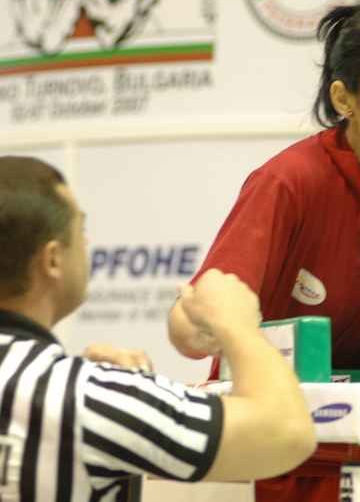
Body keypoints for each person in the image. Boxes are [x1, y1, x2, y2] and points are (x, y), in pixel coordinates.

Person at [167, 0, 360, 502]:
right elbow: (193, 326)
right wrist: (197, 325)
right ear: (345, 99)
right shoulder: (290, 181)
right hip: (265, 441)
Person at [0, 156, 316, 502]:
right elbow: (287, 434)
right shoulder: (84, 397)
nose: (88, 246)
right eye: (80, 230)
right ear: (53, 260)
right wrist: (238, 327)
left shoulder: (73, 391)